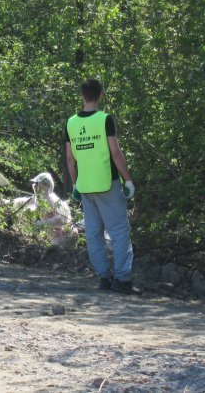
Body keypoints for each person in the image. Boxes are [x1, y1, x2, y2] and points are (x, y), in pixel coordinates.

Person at [65, 79, 139, 295]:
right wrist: (128, 180)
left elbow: (70, 159)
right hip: (108, 183)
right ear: (101, 95)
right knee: (119, 232)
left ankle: (104, 279)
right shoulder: (105, 119)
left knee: (94, 234)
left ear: (82, 96)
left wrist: (76, 185)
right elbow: (115, 153)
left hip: (86, 186)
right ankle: (123, 279)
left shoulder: (71, 123)